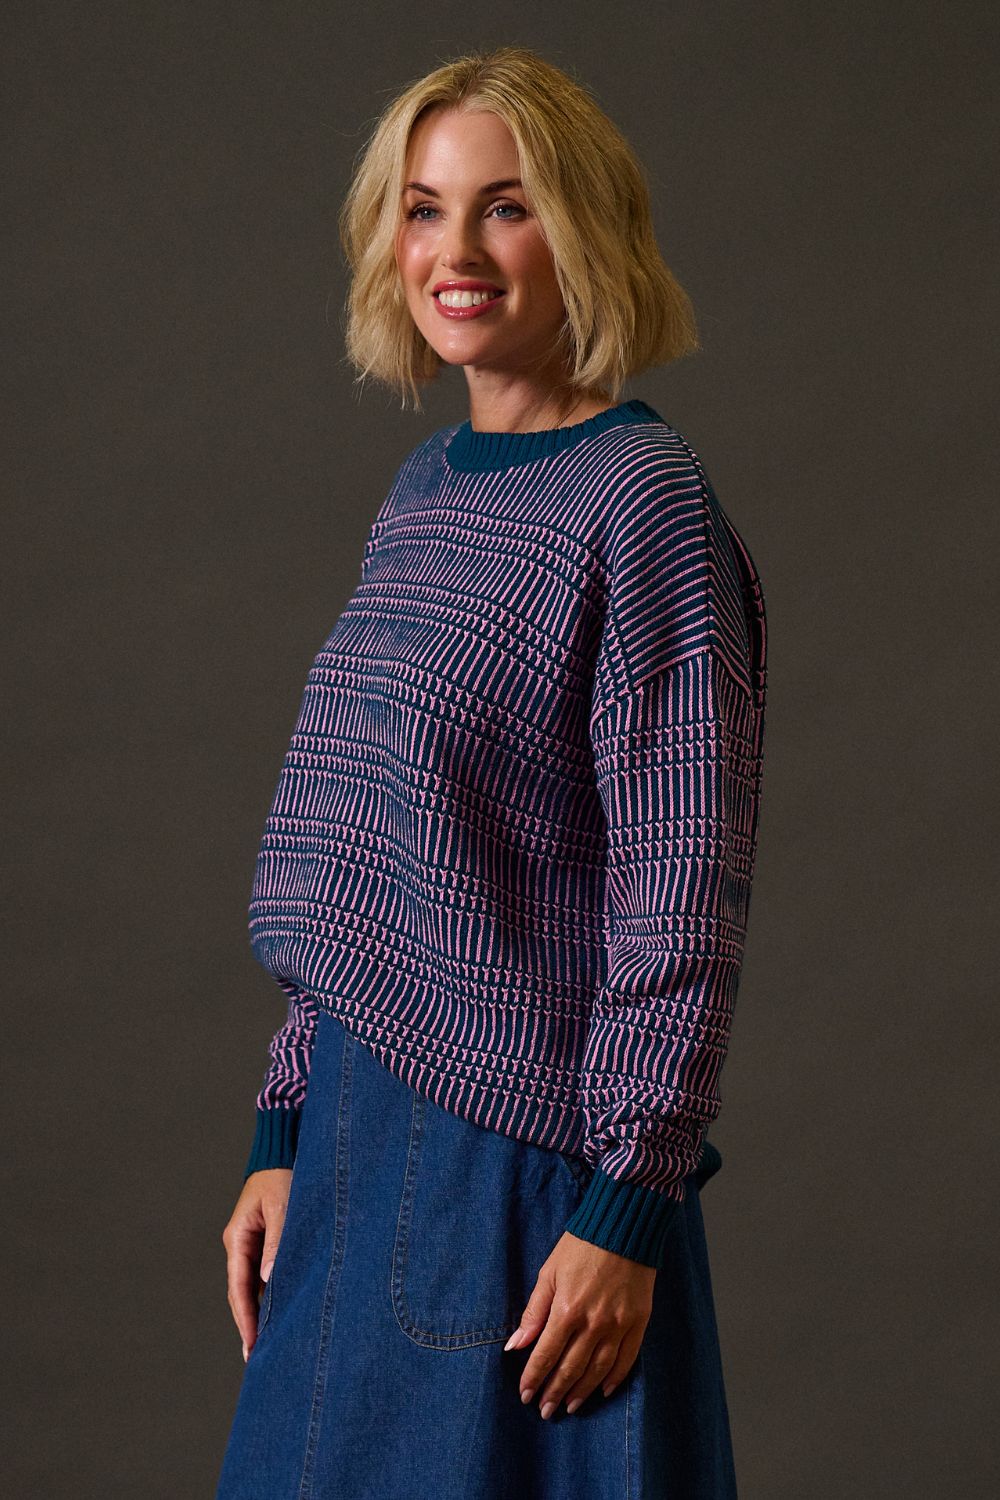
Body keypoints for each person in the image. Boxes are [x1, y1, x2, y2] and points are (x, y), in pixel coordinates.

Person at [217, 44, 767, 1500]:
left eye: (505, 208)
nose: (453, 252)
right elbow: (358, 852)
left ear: (583, 233)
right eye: (421, 208)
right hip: (348, 1147)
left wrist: (628, 1207)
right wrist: (287, 1130)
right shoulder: (426, 495)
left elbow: (679, 891)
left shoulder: (636, 504)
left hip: (513, 1181)